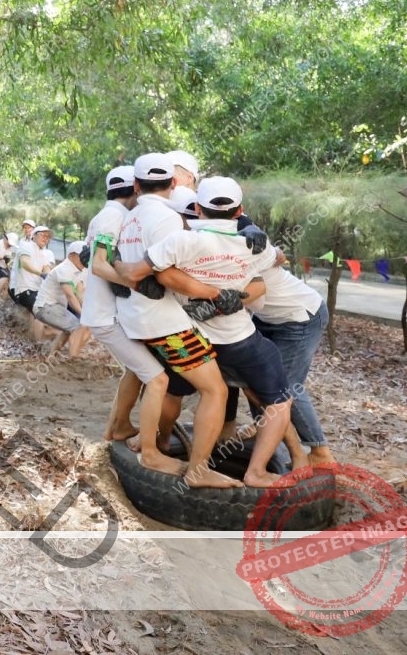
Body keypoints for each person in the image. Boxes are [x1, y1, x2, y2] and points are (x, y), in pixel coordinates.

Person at [119, 177, 293, 489]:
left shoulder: (181, 241)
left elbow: (142, 270)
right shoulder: (252, 244)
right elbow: (278, 260)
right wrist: (257, 236)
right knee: (279, 400)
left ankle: (159, 443)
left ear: (198, 209)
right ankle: (256, 471)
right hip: (240, 339)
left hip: (188, 337)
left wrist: (108, 259)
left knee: (172, 390)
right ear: (239, 210)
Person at [111, 153, 238, 488]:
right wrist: (212, 293)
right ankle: (196, 469)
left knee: (151, 378)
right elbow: (167, 276)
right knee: (215, 390)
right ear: (173, 184)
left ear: (136, 186)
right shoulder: (167, 219)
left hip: (134, 316)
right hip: (164, 324)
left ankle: (137, 436)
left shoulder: (129, 217)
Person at [82, 165, 168, 444]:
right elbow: (98, 266)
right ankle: (150, 449)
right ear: (134, 188)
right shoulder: (112, 216)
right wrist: (138, 283)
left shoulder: (113, 214)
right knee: (157, 379)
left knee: (136, 370)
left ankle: (115, 428)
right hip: (106, 317)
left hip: (110, 314)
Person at [248, 240, 336, 467]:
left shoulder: (242, 241)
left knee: (285, 387)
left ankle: (320, 452)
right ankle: (268, 436)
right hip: (266, 317)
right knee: (254, 377)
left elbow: (278, 255)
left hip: (300, 317)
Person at [33, 241, 92, 359]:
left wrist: (89, 313)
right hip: (45, 307)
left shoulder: (80, 271)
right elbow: (70, 295)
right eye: (82, 255)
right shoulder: (64, 269)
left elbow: (79, 293)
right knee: (77, 327)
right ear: (72, 255)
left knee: (70, 328)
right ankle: (73, 358)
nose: (86, 258)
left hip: (56, 307)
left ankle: (52, 356)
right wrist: (84, 314)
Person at [11, 226, 55, 342]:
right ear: (34, 235)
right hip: (24, 289)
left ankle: (32, 335)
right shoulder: (26, 246)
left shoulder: (44, 253)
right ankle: (40, 344)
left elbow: (46, 269)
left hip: (36, 290)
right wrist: (40, 274)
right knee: (40, 312)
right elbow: (25, 263)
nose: (46, 238)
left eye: (48, 236)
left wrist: (49, 277)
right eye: (43, 235)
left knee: (38, 311)